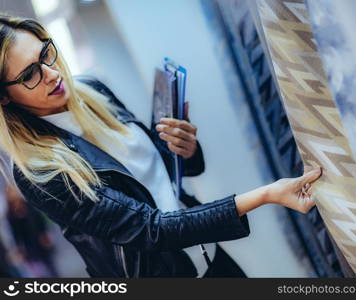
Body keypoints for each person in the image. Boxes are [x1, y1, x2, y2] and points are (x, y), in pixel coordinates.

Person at [0, 15, 322, 278]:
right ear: (5, 97)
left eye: (45, 53)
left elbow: (159, 173)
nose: (51, 73)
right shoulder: (37, 169)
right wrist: (265, 195)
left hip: (209, 259)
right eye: (30, 74)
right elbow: (149, 229)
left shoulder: (90, 91)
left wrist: (185, 148)